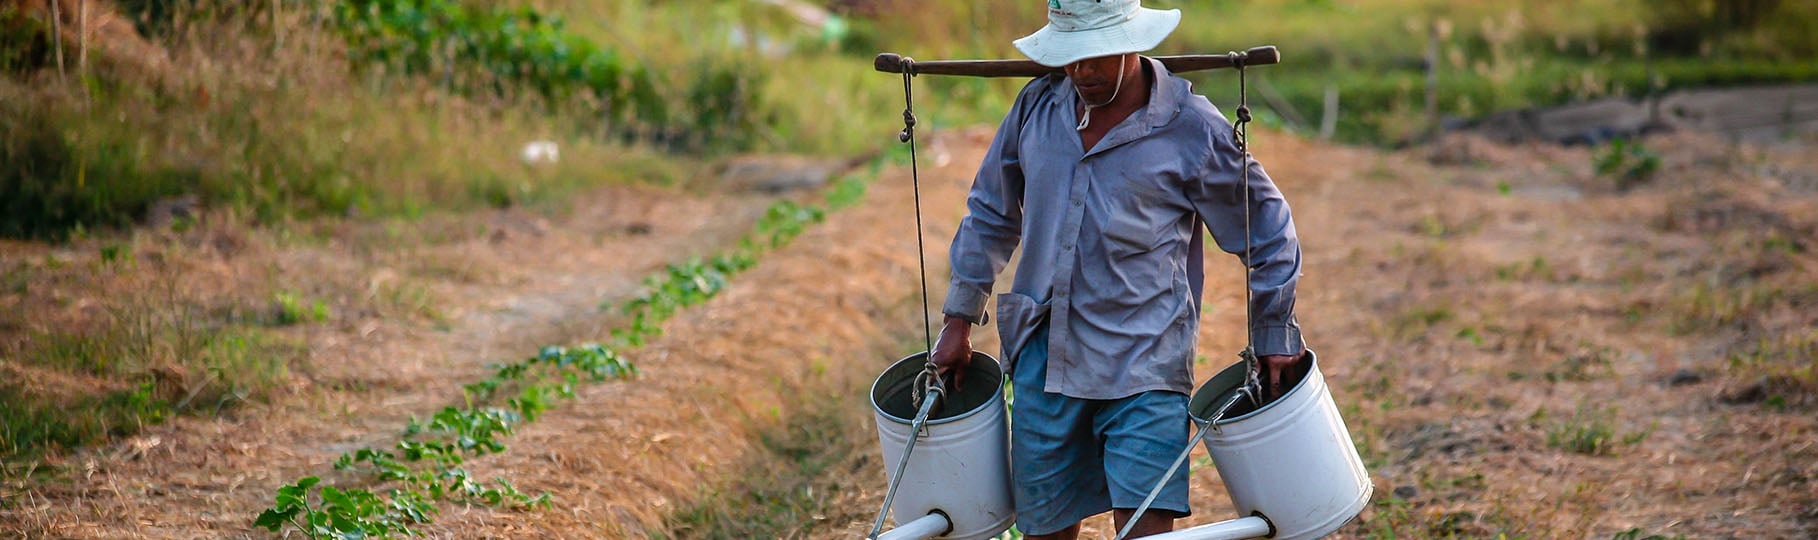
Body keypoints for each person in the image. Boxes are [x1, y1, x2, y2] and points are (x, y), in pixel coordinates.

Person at [927, 1, 1307, 538]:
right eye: (1070, 57)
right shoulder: (1037, 108)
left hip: (1145, 364)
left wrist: (1274, 328)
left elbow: (1265, 228)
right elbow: (991, 212)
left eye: (1095, 56)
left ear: (1131, 42)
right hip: (1045, 360)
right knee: (1045, 530)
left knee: (1144, 530)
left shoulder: (1190, 128)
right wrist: (958, 320)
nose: (1081, 71)